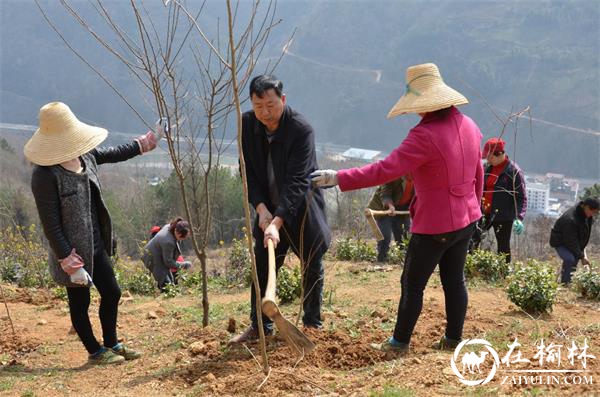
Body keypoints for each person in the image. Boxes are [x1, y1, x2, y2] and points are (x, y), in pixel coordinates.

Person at [311, 63, 483, 354]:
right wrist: (475, 210)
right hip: (466, 220)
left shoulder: (424, 136)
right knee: (455, 280)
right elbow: (478, 173)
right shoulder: (469, 124)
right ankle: (453, 338)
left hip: (435, 225)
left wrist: (338, 177)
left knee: (412, 284)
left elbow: (385, 170)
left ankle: (399, 343)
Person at [26, 101, 158, 365]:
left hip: (96, 243)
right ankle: (95, 351)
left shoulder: (84, 156)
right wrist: (67, 259)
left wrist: (146, 142)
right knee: (80, 302)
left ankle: (112, 343)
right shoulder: (44, 176)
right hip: (71, 252)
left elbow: (113, 152)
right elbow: (50, 223)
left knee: (112, 292)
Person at [229, 75, 331, 343]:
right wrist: (262, 211)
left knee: (311, 265)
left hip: (300, 209)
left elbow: (299, 181)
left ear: (283, 100)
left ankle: (312, 324)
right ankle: (259, 327)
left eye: (271, 105)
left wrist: (278, 220)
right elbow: (247, 171)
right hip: (267, 210)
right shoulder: (247, 124)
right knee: (261, 265)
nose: (265, 112)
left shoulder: (301, 130)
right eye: (258, 105)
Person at [469, 137, 527, 263]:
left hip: (503, 215)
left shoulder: (513, 171)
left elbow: (521, 196)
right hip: (484, 211)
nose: (488, 160)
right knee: (473, 239)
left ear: (499, 154)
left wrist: (519, 217)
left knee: (503, 246)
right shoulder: (487, 168)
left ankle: (503, 272)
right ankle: (470, 266)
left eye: (490, 157)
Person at [550, 197, 599, 284]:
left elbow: (582, 235)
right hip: (560, 241)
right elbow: (571, 241)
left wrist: (582, 252)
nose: (592, 214)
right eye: (592, 211)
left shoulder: (586, 215)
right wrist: (582, 256)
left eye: (595, 212)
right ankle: (565, 283)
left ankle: (567, 280)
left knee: (575, 259)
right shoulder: (571, 219)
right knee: (570, 259)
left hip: (573, 240)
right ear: (585, 206)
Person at [367, 175, 414, 262]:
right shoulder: (393, 174)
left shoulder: (419, 178)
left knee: (404, 237)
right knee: (385, 236)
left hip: (403, 210)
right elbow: (385, 194)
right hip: (385, 209)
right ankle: (381, 259)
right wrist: (390, 205)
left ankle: (403, 260)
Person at [142, 218, 192, 291]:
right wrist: (184, 265)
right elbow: (168, 262)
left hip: (159, 256)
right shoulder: (168, 242)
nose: (182, 239)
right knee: (167, 286)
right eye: (183, 237)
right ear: (179, 233)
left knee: (171, 283)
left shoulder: (170, 226)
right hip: (153, 259)